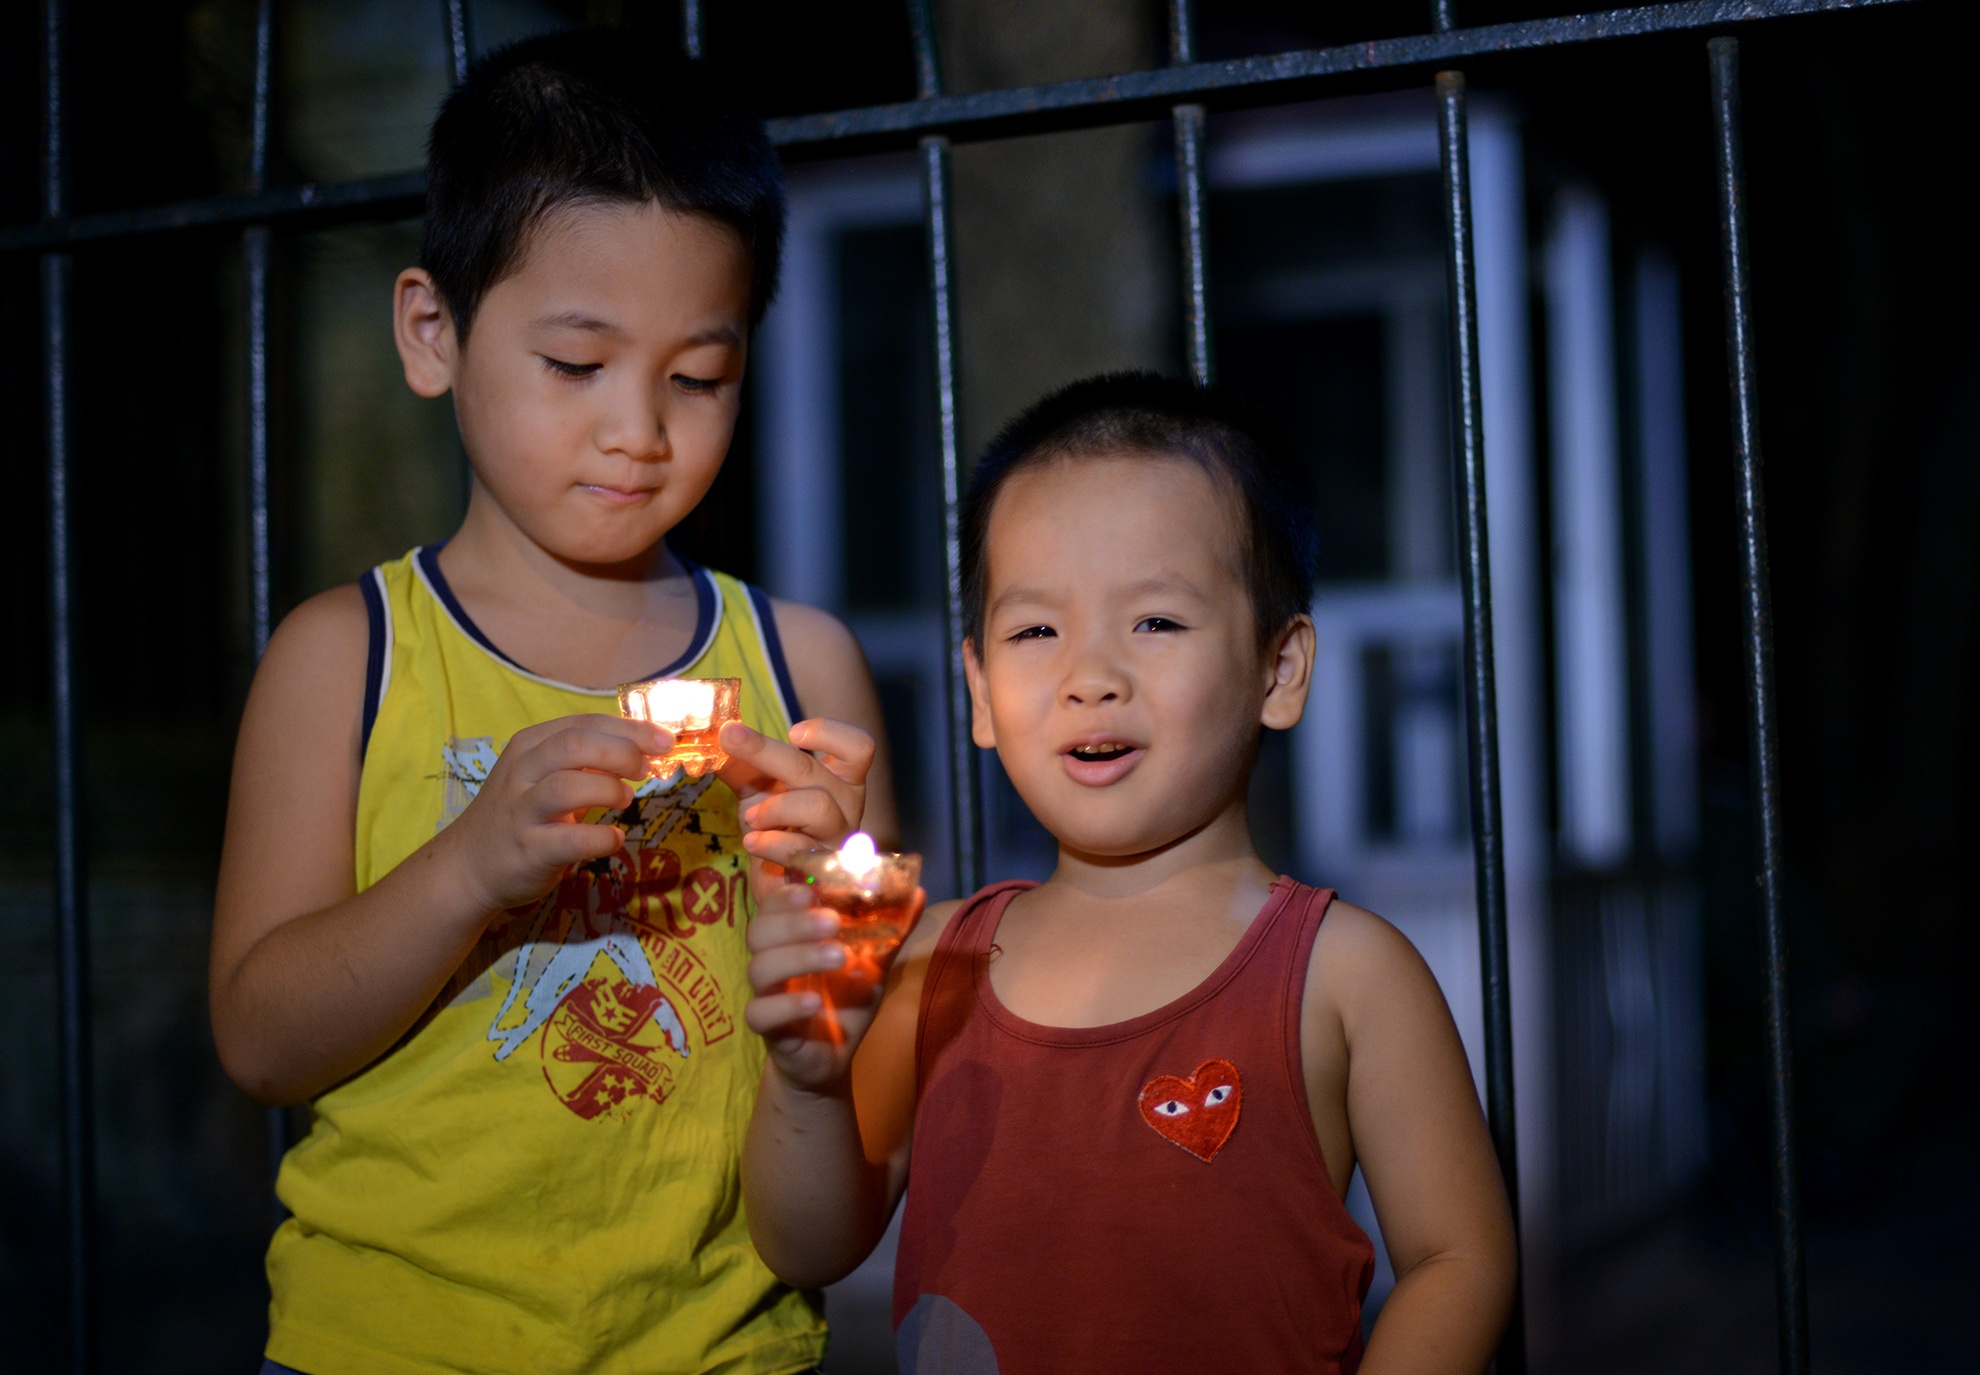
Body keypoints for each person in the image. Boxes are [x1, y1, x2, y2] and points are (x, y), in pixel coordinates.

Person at [208, 31, 891, 1375]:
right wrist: (470, 863)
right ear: (432, 332)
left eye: (699, 376)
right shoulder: (346, 658)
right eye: (577, 364)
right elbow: (260, 1037)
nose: (638, 427)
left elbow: (829, 1232)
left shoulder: (803, 673)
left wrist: (826, 1029)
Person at [739, 373, 1518, 1374]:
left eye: (1155, 621)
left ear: (1279, 670)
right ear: (979, 691)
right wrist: (807, 1081)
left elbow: (1462, 1258)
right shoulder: (930, 960)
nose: (1090, 673)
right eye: (1034, 631)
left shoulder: (1345, 971)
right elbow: (807, 1245)